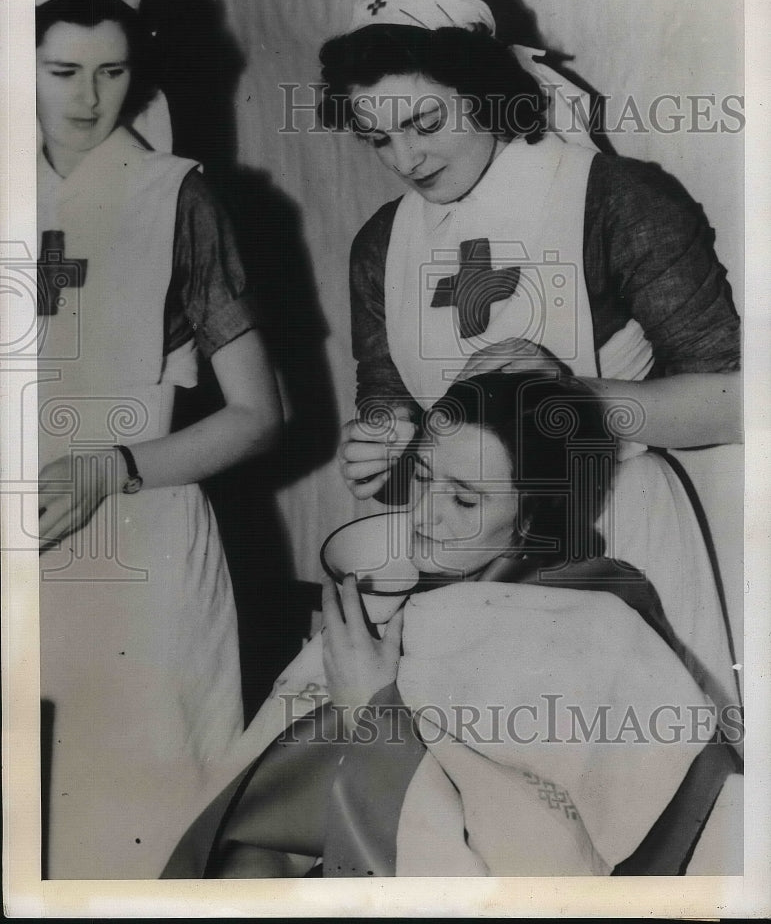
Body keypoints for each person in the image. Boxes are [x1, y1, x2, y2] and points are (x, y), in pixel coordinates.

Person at [318, 0, 742, 719]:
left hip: (615, 530)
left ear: (483, 94)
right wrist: (382, 443)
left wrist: (569, 403)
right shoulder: (382, 243)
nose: (406, 160)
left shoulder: (615, 199)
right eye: (378, 138)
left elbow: (737, 402)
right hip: (465, 542)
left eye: (424, 122)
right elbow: (388, 398)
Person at [160, 369, 741, 879]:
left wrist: (372, 713)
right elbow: (273, 819)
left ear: (533, 518)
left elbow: (526, 875)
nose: (423, 515)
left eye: (464, 501)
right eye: (421, 478)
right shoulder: (390, 599)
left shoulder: (600, 625)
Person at [35, 0, 281, 879]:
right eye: (62, 72)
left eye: (111, 72)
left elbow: (261, 416)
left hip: (143, 539)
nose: (90, 98)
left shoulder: (176, 196)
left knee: (137, 836)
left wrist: (114, 466)